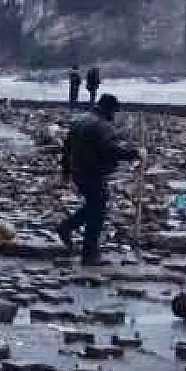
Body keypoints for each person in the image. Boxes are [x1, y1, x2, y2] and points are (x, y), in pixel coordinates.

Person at [57, 93, 140, 266]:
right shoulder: (102, 126)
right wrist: (134, 153)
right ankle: (88, 254)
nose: (114, 116)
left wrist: (66, 171)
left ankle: (67, 227)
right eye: (114, 112)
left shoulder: (80, 120)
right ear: (109, 110)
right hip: (92, 172)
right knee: (97, 212)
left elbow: (66, 148)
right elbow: (110, 151)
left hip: (78, 171)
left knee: (95, 206)